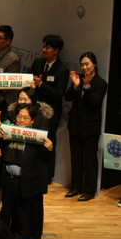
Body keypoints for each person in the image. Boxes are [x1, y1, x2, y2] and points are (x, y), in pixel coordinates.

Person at [0, 103, 52, 239]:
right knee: (5, 213)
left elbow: (43, 160)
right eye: (19, 116)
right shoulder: (8, 132)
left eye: (25, 117)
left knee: (22, 215)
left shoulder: (37, 138)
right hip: (8, 179)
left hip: (23, 182)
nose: (21, 120)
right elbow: (0, 152)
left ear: (32, 120)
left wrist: (49, 149)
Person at [64, 51, 107, 201]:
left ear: (94, 64)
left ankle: (89, 191)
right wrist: (76, 86)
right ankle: (75, 187)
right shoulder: (79, 80)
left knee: (90, 160)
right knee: (75, 158)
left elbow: (93, 102)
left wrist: (87, 87)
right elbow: (67, 97)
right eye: (82, 64)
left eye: (87, 64)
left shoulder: (101, 83)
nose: (84, 67)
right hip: (75, 125)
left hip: (90, 128)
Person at [30, 34, 69, 181]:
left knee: (48, 143)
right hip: (34, 112)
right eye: (43, 46)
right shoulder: (38, 63)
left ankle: (47, 176)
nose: (44, 50)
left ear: (56, 50)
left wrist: (41, 85)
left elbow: (58, 94)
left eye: (47, 47)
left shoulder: (62, 70)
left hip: (51, 115)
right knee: (33, 142)